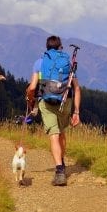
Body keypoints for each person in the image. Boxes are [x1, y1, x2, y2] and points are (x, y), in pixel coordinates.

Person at [26, 35, 81, 186]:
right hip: (65, 101)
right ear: (60, 47)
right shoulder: (67, 63)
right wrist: (76, 112)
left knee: (53, 134)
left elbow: (32, 87)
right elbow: (76, 88)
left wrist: (30, 99)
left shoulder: (40, 62)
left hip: (47, 102)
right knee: (62, 132)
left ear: (47, 47)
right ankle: (61, 161)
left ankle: (59, 169)